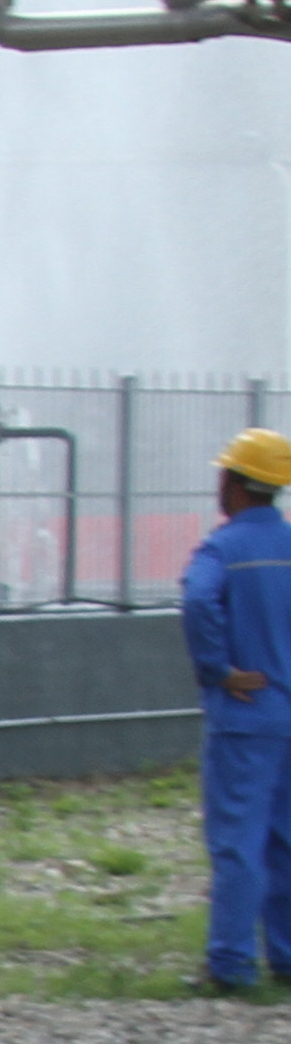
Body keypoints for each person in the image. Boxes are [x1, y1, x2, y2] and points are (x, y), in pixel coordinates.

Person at [179, 427, 291, 997]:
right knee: (285, 839)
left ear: (234, 484)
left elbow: (199, 599)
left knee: (238, 841)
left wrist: (218, 669)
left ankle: (231, 963)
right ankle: (287, 958)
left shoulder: (222, 550)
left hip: (248, 716)